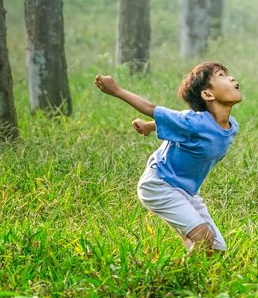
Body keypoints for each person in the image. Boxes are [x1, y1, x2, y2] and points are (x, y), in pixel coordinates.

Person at [94, 62, 242, 252]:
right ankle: (173, 277)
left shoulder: (231, 126)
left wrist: (149, 126)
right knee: (204, 239)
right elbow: (152, 108)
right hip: (159, 185)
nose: (231, 78)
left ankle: (191, 258)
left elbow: (179, 125)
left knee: (216, 249)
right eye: (221, 75)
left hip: (186, 192)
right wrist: (116, 90)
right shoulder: (193, 122)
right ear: (207, 94)